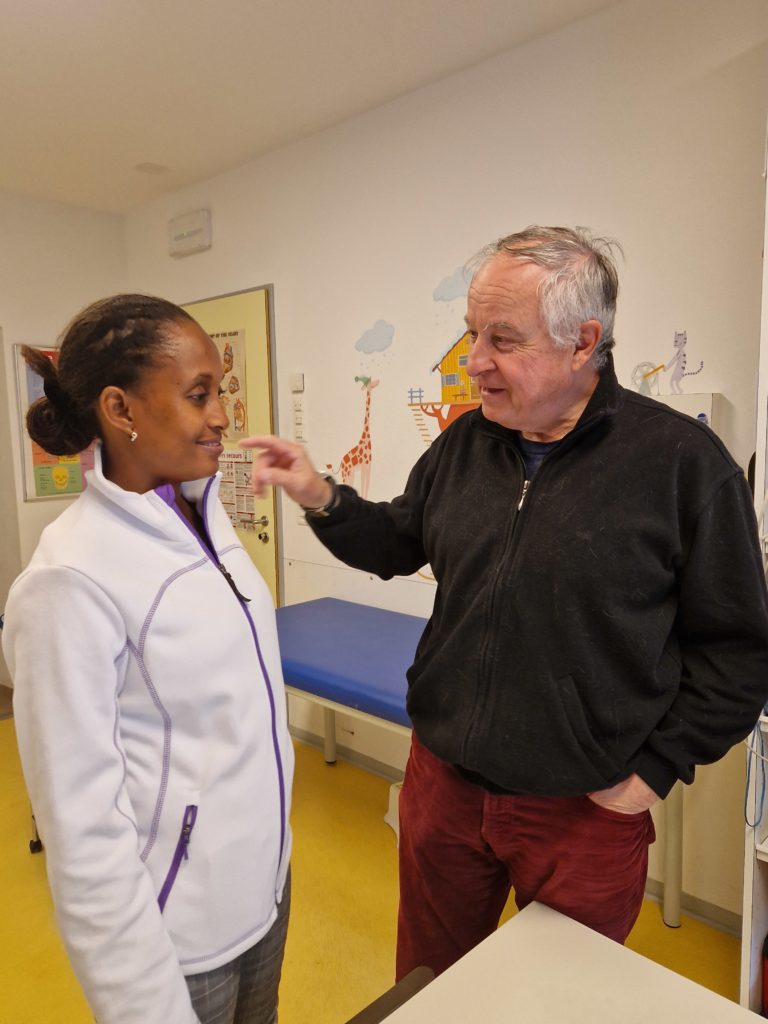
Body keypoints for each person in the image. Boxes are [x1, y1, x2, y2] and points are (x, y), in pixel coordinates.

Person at [243, 226, 768, 978]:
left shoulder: (682, 465)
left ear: (583, 342)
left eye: (501, 339)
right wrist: (321, 495)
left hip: (583, 814)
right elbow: (396, 541)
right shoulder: (464, 444)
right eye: (470, 334)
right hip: (443, 788)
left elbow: (740, 653)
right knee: (430, 984)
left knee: (553, 999)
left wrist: (652, 771)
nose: (474, 361)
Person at [2, 295, 293, 1024]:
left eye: (219, 391)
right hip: (177, 943)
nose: (223, 414)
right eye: (200, 394)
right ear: (119, 409)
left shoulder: (206, 523)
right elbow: (82, 831)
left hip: (263, 897)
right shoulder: (70, 580)